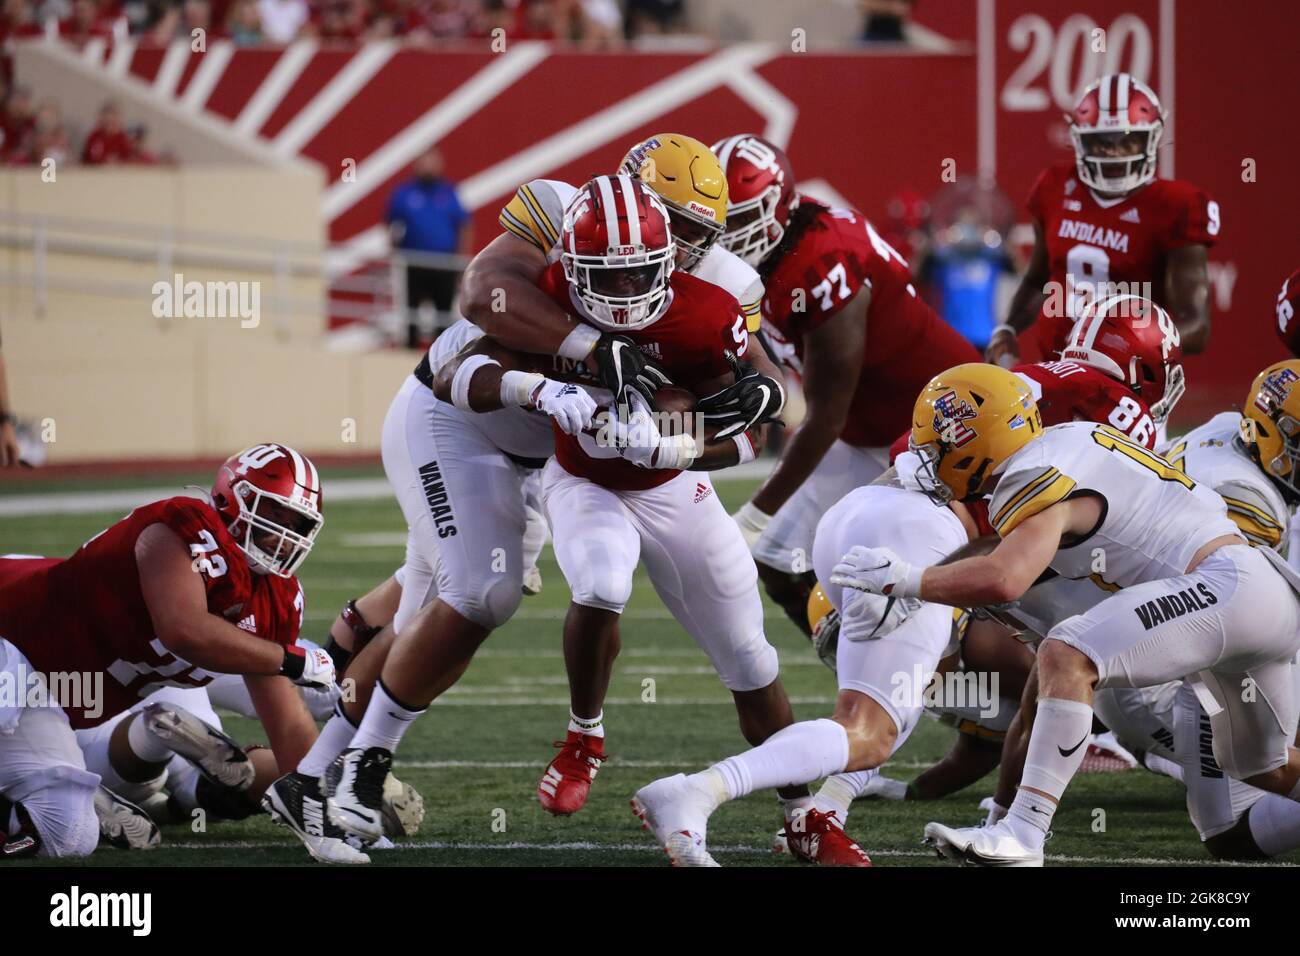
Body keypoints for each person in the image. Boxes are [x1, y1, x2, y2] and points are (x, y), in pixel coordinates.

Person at [319, 176, 811, 867]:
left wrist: (687, 442)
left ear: (676, 253)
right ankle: (566, 736)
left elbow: (763, 410)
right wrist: (538, 385)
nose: (626, 290)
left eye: (643, 269)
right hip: (575, 477)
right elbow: (455, 376)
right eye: (606, 275)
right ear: (570, 266)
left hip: (675, 485)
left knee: (750, 655)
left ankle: (805, 815)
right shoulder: (541, 294)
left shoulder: (708, 306)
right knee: (553, 587)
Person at [826, 364, 1300, 866]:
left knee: (1070, 650)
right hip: (1254, 603)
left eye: (940, 447)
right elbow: (1038, 700)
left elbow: (1004, 578)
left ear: (977, 442)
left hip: (1225, 588)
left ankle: (1027, 837)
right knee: (1258, 775)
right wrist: (1000, 808)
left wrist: (907, 580)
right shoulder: (1071, 441)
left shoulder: (1030, 478)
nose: (930, 461)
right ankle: (1014, 827)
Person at [0, 444, 336, 858]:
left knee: (72, 817)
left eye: (296, 522)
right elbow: (185, 631)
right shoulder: (178, 529)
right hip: (18, 654)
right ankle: (132, 767)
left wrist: (321, 807)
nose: (282, 535)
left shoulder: (276, 595)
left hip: (94, 683)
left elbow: (285, 719)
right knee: (68, 828)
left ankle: (125, 768)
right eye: (272, 515)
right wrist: (293, 660)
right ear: (232, 500)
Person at [712, 133, 980, 634]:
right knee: (778, 560)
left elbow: (825, 413)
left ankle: (962, 685)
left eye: (739, 221)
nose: (725, 236)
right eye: (718, 221)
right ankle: (867, 679)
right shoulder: (781, 246)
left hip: (940, 429)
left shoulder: (821, 264)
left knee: (969, 582)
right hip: (864, 429)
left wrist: (754, 513)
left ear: (776, 210)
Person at [987, 73, 1217, 370]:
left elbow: (1195, 325)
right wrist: (1009, 328)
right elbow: (1036, 281)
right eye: (1101, 141)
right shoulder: (1054, 186)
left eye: (1127, 141)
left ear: (1152, 138)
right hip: (1054, 368)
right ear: (1080, 140)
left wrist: (1128, 344)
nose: (1113, 153)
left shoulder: (1177, 205)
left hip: (1127, 379)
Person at [387, 146, 472, 347]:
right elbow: (391, 225)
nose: (428, 167)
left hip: (443, 264)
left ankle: (441, 356)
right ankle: (409, 352)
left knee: (443, 312)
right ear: (416, 166)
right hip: (415, 263)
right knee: (411, 311)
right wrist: (395, 254)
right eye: (424, 163)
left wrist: (460, 258)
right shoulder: (404, 193)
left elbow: (464, 225)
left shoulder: (449, 192)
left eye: (432, 162)